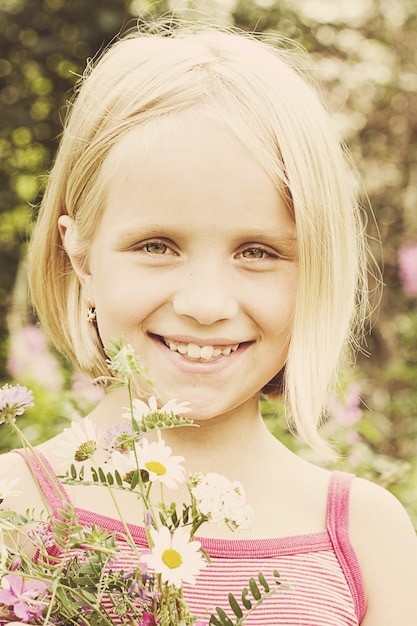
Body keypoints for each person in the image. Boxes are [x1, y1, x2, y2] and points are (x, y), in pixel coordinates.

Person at [1, 23, 417, 625]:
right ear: (81, 258)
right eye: (157, 245)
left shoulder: (367, 541)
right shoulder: (13, 510)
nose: (207, 303)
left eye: (258, 252)